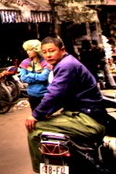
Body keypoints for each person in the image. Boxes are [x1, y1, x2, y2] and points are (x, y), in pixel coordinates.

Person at [25, 37, 107, 173]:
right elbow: (61, 95)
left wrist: (35, 115)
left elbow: (55, 93)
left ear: (62, 50)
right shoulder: (65, 63)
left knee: (35, 129)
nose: (48, 55)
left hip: (88, 119)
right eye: (44, 52)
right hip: (82, 114)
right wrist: (46, 112)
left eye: (52, 51)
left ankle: (41, 170)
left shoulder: (66, 65)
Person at [18, 39, 50, 110]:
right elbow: (23, 78)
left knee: (47, 116)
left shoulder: (45, 62)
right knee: (35, 115)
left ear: (37, 50)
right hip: (32, 94)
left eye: (30, 49)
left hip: (45, 94)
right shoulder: (25, 62)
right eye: (27, 50)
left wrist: (30, 75)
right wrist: (38, 78)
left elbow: (43, 77)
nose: (28, 52)